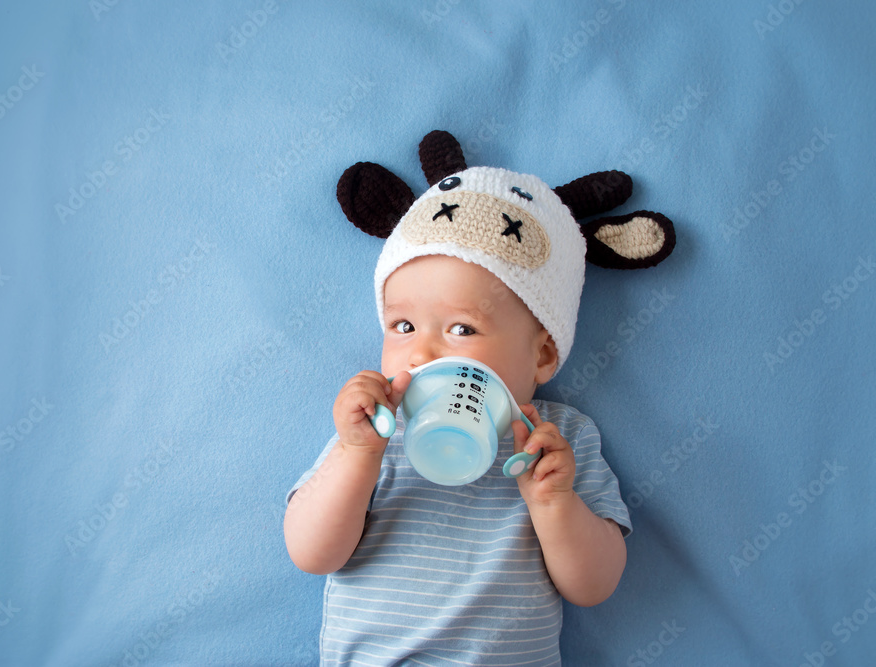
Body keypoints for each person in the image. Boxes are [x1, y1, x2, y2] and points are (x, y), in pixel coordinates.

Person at [284, 132, 670, 665]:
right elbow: (311, 554)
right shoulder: (374, 428)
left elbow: (594, 587)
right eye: (402, 325)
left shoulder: (558, 442)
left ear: (541, 357)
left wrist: (553, 504)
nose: (421, 352)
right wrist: (357, 456)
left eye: (462, 329)